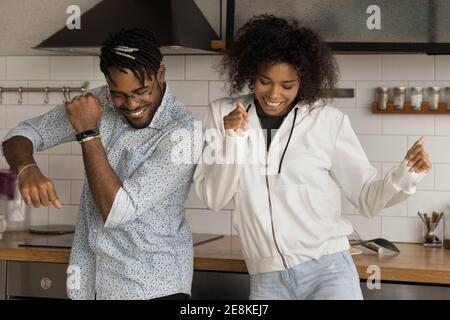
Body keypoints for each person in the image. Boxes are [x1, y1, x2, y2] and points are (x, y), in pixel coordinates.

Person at [193, 15, 431, 300]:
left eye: (287, 85)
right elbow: (214, 198)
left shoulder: (327, 121)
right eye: (264, 81)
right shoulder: (221, 114)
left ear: (302, 79)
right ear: (250, 72)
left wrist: (406, 175)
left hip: (328, 271)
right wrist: (233, 140)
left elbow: (367, 197)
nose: (274, 94)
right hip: (266, 279)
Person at [2, 28, 198, 300]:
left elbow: (116, 210)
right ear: (107, 83)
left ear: (160, 74)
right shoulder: (99, 103)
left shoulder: (183, 135)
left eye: (142, 91)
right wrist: (26, 169)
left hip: (152, 288)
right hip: (90, 286)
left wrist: (87, 133)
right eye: (119, 94)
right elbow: (20, 135)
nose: (131, 103)